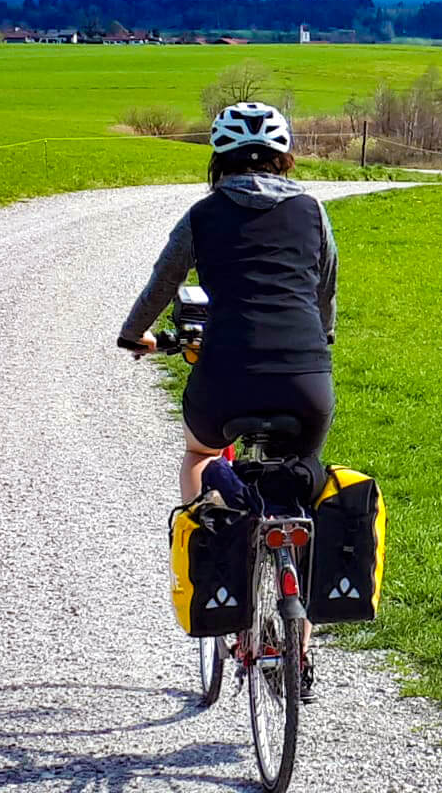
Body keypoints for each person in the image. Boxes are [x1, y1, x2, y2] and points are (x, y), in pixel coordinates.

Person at [118, 101, 336, 699]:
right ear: (284, 157)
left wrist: (134, 333)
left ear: (219, 160)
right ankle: (300, 649)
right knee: (302, 490)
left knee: (200, 456)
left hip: (226, 375)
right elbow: (324, 294)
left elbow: (162, 284)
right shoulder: (313, 211)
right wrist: (321, 339)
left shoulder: (203, 213)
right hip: (305, 381)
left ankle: (217, 556)